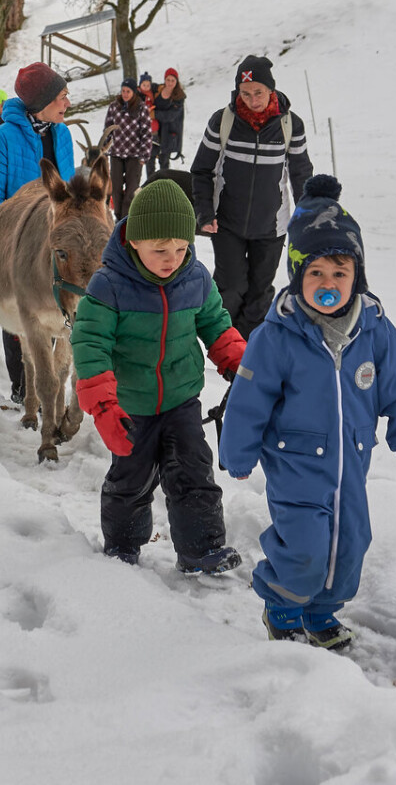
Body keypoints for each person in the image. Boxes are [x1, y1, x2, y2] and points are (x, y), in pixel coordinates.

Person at [219, 175, 396, 650]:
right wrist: (237, 453)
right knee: (306, 549)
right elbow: (248, 402)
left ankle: (321, 613)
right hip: (295, 466)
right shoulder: (277, 335)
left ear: (357, 276)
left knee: (351, 544)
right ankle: (282, 608)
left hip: (351, 465)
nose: (329, 284)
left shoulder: (373, 328)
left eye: (340, 273)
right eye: (316, 274)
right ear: (297, 276)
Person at [72, 178, 247, 572]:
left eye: (182, 248)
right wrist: (103, 406)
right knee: (130, 481)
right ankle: (122, 546)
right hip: (131, 405)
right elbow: (90, 344)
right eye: (160, 250)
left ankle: (200, 550)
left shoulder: (195, 277)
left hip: (182, 398)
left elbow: (216, 324)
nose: (172, 258)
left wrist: (240, 363)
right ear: (134, 241)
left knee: (193, 472)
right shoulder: (109, 285)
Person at [0, 62, 75, 400]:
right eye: (62, 96)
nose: (67, 103)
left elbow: (69, 190)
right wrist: (1, 245)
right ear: (41, 101)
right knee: (20, 314)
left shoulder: (62, 134)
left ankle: (52, 382)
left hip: (53, 239)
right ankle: (22, 387)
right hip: (14, 240)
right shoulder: (2, 138)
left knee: (59, 309)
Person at [191, 55, 312, 339]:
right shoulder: (223, 121)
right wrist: (205, 213)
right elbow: (201, 170)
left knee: (260, 293)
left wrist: (308, 217)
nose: (252, 99)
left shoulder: (290, 125)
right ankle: (225, 344)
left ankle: (248, 356)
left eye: (258, 92)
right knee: (230, 288)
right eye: (245, 93)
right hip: (227, 224)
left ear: (270, 90)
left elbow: (301, 174)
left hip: (272, 227)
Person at [103, 76, 153, 219]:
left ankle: (126, 220)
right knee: (116, 190)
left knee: (131, 191)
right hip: (116, 153)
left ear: (134, 92)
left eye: (128, 91)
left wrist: (144, 155)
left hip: (134, 155)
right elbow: (107, 130)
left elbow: (146, 133)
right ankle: (119, 218)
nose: (125, 94)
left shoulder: (141, 108)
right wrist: (104, 149)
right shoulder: (114, 107)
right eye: (123, 91)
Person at [153, 67, 186, 173]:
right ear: (164, 79)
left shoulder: (179, 97)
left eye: (173, 80)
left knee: (164, 162)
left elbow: (170, 115)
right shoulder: (158, 91)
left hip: (169, 132)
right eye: (168, 80)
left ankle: (164, 184)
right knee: (150, 159)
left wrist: (154, 114)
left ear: (176, 81)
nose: (170, 83)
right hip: (155, 131)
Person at [138, 73, 157, 183]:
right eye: (144, 85)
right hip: (145, 131)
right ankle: (150, 180)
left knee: (155, 154)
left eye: (147, 85)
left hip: (155, 130)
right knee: (148, 158)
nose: (146, 87)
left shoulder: (153, 95)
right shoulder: (139, 96)